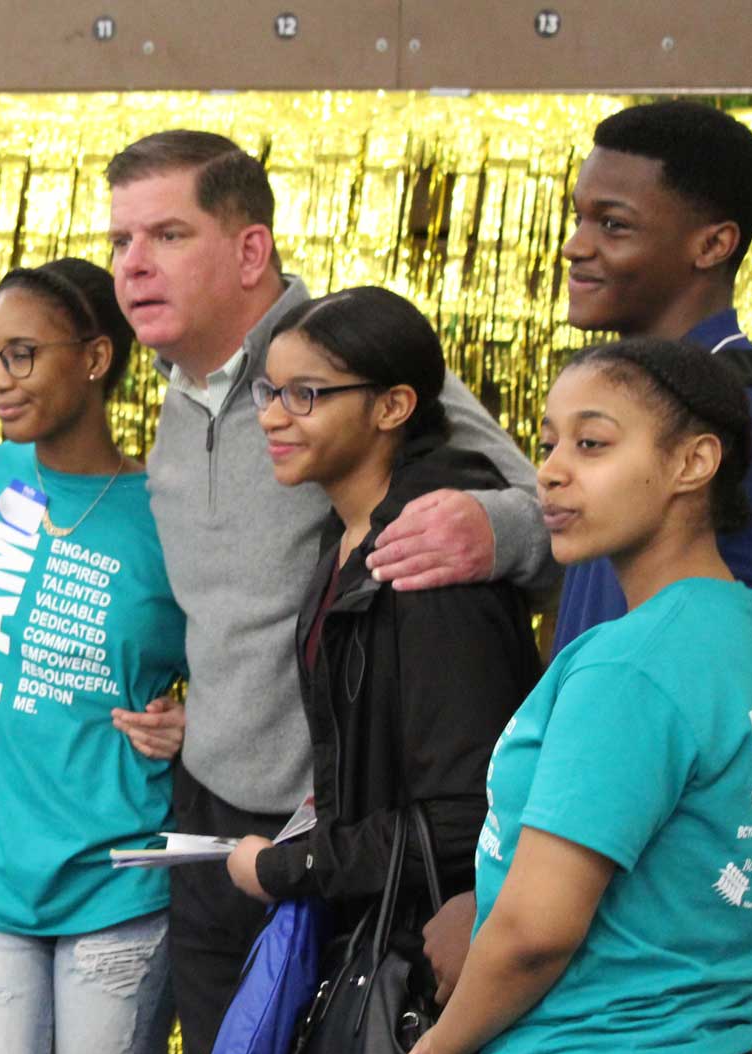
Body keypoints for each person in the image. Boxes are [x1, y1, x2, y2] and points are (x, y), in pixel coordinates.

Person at [101, 129, 554, 1054]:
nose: (132, 263)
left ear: (250, 250)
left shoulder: (347, 366)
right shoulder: (178, 398)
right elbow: (243, 616)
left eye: (167, 233)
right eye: (120, 237)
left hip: (346, 840)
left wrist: (498, 532)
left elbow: (551, 513)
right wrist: (200, 704)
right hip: (211, 816)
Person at [422, 100, 752, 1005]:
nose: (576, 245)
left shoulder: (742, 430)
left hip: (644, 951)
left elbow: (664, 716)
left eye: (613, 223)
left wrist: (507, 920)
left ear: (712, 244)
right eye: (578, 216)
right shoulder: (673, 408)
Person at [403, 338, 752, 1054]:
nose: (550, 472)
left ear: (695, 461)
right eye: (548, 442)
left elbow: (536, 929)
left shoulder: (632, 667)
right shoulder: (749, 636)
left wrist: (447, 1043)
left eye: (592, 444)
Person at [0, 258, 187, 1054]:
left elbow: (257, 662)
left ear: (97, 358)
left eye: (22, 355)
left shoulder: (169, 513)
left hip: (116, 876)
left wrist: (193, 721)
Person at [223, 286, 538, 958]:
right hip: (370, 927)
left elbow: (463, 817)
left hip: (427, 952)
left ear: (393, 405)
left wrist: (286, 870)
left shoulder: (426, 560)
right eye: (268, 393)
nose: (273, 418)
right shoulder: (344, 532)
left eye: (304, 395)